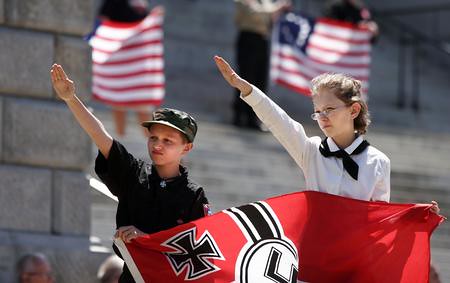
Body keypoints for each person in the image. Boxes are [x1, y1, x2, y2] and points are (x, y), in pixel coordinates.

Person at [213, 56, 440, 213]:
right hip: (314, 255)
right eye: (317, 112)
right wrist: (247, 90)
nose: (322, 117)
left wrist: (419, 216)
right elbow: (279, 122)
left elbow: (381, 220)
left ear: (354, 110)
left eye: (329, 110)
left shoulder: (379, 161)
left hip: (352, 261)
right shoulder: (311, 151)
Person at [50, 64, 210, 282]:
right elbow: (100, 135)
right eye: (153, 138)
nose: (157, 145)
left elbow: (199, 254)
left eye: (168, 141)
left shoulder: (194, 196)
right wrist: (71, 99)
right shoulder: (134, 173)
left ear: (186, 148)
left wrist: (146, 240)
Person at [96, 0, 155, 137]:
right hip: (120, 57)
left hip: (139, 59)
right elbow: (103, 22)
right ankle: (120, 140)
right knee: (119, 102)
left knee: (143, 103)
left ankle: (152, 141)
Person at [232, 0, 291, 129]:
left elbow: (269, 18)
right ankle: (239, 116)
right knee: (245, 79)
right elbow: (255, 14)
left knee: (260, 80)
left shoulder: (266, 2)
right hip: (248, 39)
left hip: (262, 39)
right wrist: (277, 8)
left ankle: (253, 119)